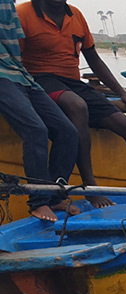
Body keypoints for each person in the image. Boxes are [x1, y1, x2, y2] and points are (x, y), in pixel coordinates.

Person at [18, 0, 126, 208]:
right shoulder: (24, 14)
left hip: (73, 82)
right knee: (77, 106)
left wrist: (121, 93)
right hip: (39, 80)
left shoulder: (75, 15)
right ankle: (90, 187)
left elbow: (94, 59)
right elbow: (13, 59)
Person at [0, 0, 78, 222]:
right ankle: (39, 201)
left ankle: (55, 195)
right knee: (35, 130)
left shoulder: (8, 4)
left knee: (67, 132)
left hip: (18, 72)